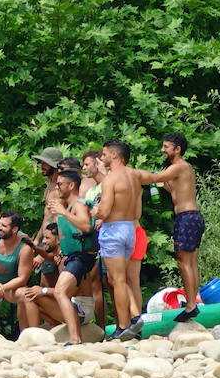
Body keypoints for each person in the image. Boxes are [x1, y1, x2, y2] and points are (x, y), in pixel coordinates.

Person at [135, 132, 204, 322]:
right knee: (190, 262)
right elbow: (172, 189)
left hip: (186, 217)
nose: (162, 150)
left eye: (166, 147)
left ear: (177, 149)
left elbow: (154, 177)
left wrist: (133, 173)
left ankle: (191, 305)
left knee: (184, 262)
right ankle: (192, 303)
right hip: (192, 217)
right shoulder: (182, 169)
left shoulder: (179, 166)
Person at [22, 170, 96, 344]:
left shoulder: (78, 205)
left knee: (60, 291)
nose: (57, 187)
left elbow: (85, 227)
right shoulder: (67, 207)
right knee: (33, 295)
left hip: (81, 257)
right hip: (72, 257)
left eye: (60, 184)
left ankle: (75, 338)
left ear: (71, 186)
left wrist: (63, 212)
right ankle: (37, 339)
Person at [96, 139, 144, 339]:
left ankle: (124, 325)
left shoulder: (110, 179)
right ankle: (133, 318)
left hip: (113, 230)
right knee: (123, 279)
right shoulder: (134, 176)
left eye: (104, 154)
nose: (102, 157)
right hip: (129, 229)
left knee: (117, 280)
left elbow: (104, 211)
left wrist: (91, 211)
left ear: (114, 155)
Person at [30, 149, 64, 289]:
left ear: (54, 165)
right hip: (46, 241)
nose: (41, 165)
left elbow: (58, 221)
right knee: (45, 287)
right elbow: (47, 218)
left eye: (45, 163)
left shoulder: (59, 188)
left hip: (54, 245)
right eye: (41, 162)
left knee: (50, 288)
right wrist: (37, 240)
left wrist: (45, 252)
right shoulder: (49, 186)